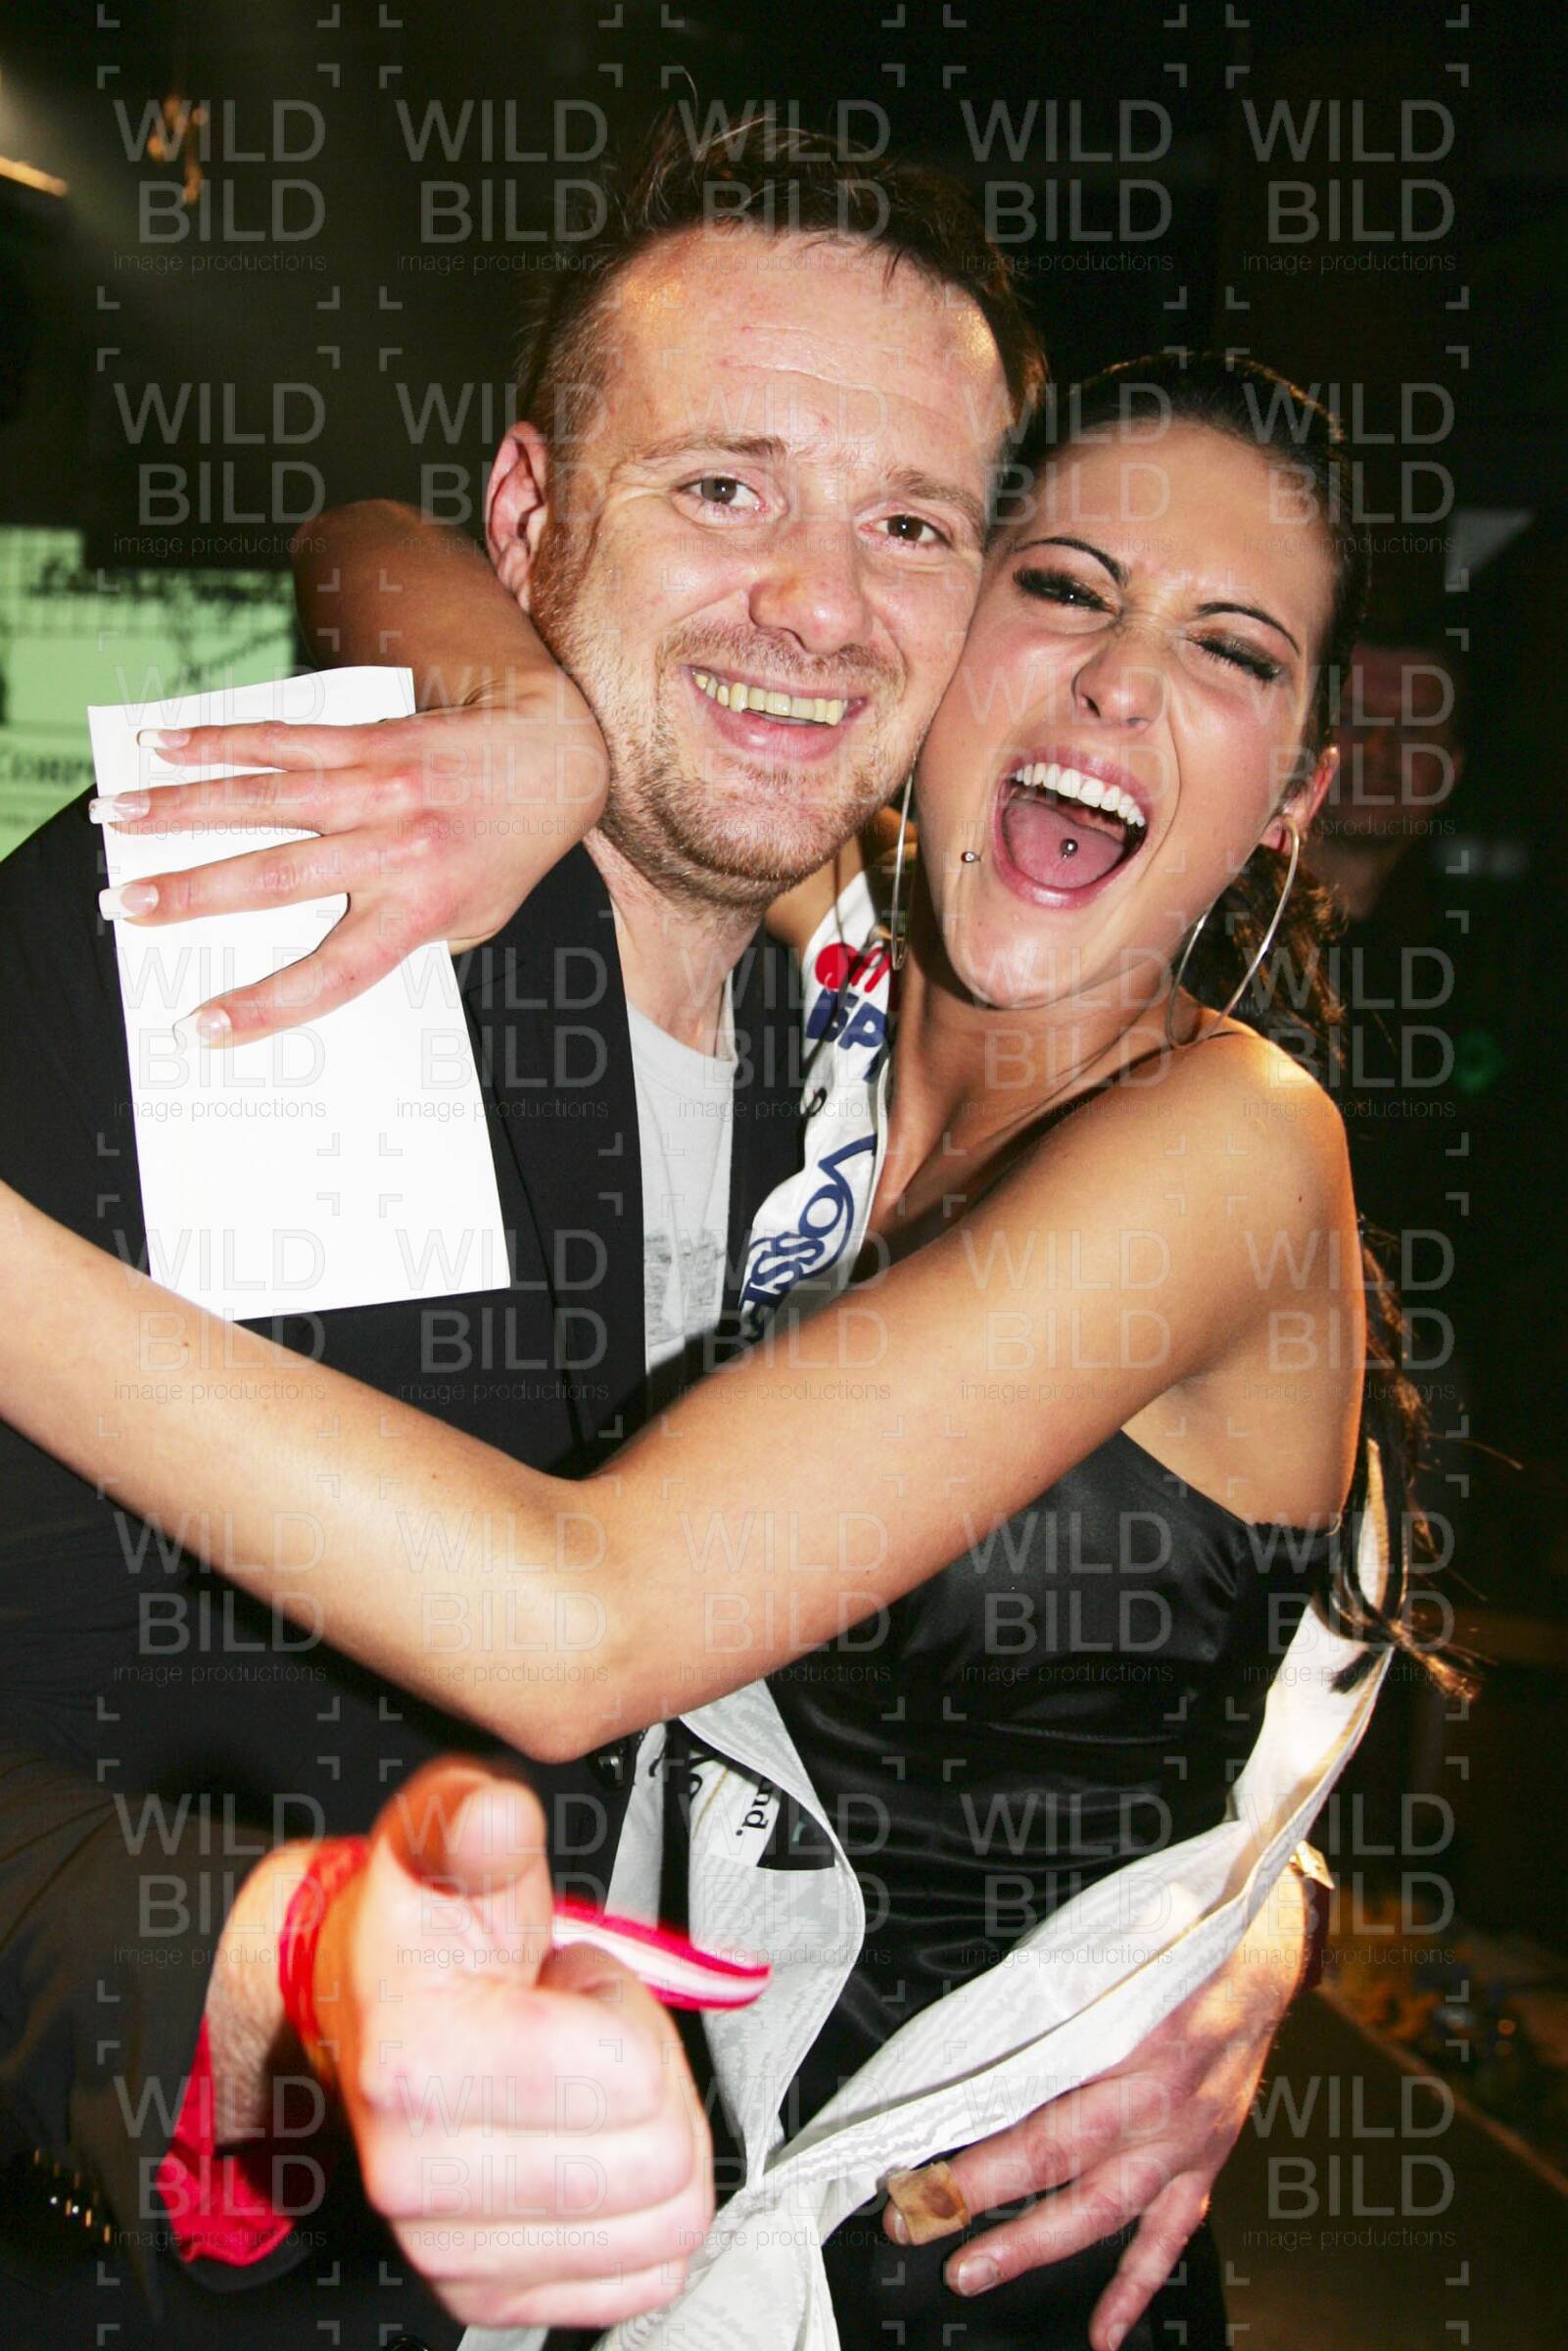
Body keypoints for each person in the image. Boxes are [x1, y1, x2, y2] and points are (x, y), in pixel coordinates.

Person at [0, 122, 1314, 2351]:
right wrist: (254, 1978)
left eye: (910, 526)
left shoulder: (886, 1068)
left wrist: (1228, 1915)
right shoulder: (247, 912)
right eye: (725, 487)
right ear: (528, 521)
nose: (819, 604)